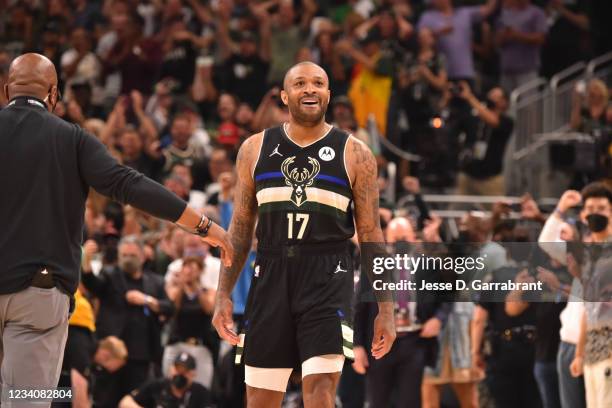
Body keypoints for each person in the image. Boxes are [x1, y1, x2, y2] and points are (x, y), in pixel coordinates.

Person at [0, 53, 232, 403]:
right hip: (37, 295)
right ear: (54, 95)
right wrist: (204, 226)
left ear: (6, 91)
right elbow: (130, 185)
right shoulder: (71, 139)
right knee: (25, 399)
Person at [211, 61, 396, 408]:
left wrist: (386, 309)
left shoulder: (356, 152)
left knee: (322, 391)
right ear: (285, 95)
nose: (309, 89)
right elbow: (239, 228)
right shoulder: (253, 148)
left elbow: (372, 234)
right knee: (260, 400)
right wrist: (223, 293)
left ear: (328, 93)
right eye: (300, 83)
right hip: (270, 271)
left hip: (328, 274)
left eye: (318, 83)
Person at [119, 352, 213, 408]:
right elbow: (125, 403)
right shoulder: (156, 385)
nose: (179, 374)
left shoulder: (201, 392)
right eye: (177, 369)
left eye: (184, 371)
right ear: (170, 369)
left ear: (193, 374)